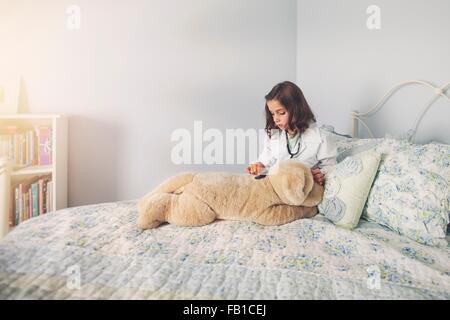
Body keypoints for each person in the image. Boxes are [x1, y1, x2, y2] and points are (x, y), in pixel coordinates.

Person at [246, 81, 337, 185]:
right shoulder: (274, 135)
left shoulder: (321, 138)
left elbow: (331, 168)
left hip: (302, 188)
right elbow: (266, 161)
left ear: (297, 109)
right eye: (272, 114)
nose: (276, 119)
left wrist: (321, 174)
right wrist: (259, 167)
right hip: (277, 185)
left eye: (281, 113)